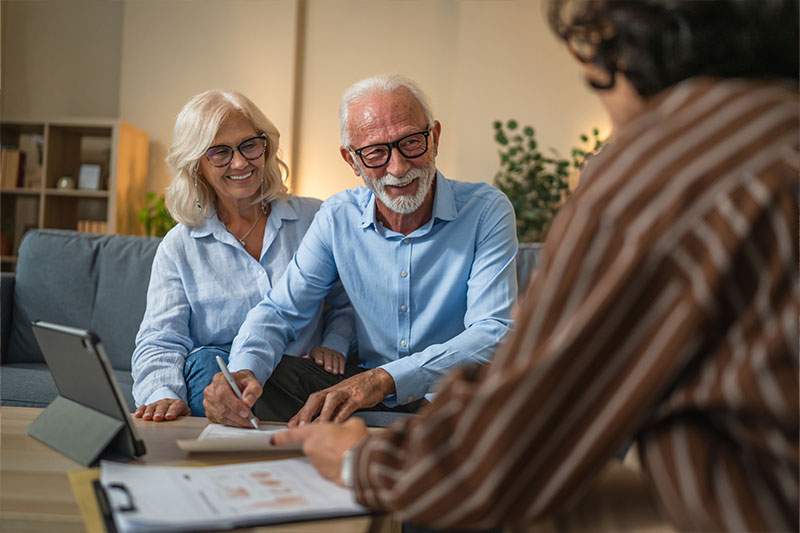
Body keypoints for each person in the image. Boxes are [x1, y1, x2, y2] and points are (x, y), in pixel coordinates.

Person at [273, 1, 799, 531]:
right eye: (376, 153)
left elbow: (507, 449)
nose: (398, 166)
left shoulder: (663, 173)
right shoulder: (777, 126)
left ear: (621, 51)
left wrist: (356, 461)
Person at [202, 75, 518, 427]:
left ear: (435, 138)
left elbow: (494, 330)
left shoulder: (486, 209)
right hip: (363, 395)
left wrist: (384, 379)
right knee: (248, 374)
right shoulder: (338, 216)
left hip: (450, 399)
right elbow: (280, 311)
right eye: (375, 153)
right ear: (351, 159)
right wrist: (244, 372)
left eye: (412, 142)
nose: (398, 168)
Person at [131, 90, 353, 422]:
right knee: (208, 366)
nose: (240, 162)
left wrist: (335, 342)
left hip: (296, 378)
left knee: (228, 372)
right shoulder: (179, 246)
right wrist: (162, 395)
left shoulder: (313, 219)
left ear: (266, 146)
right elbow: (161, 340)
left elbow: (346, 302)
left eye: (249, 145)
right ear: (197, 166)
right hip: (215, 382)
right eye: (220, 153)